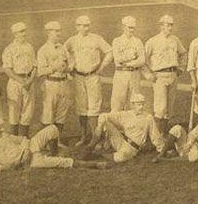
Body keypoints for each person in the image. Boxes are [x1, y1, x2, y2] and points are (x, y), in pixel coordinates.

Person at [0, 115, 106, 172]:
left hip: (29, 148)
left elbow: (23, 138)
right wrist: (2, 167)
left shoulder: (5, 135)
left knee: (52, 129)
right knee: (61, 163)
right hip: (26, 162)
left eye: (1, 126)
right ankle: (95, 165)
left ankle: (55, 152)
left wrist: (27, 148)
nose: (1, 129)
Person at [65, 15, 113, 146]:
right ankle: (83, 136)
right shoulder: (72, 41)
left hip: (93, 76)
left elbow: (110, 51)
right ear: (77, 27)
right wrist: (70, 67)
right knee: (81, 107)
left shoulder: (96, 38)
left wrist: (101, 67)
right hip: (78, 77)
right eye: (82, 25)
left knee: (94, 107)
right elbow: (63, 54)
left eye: (87, 25)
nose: (85, 28)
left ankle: (95, 137)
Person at [144, 14, 187, 154]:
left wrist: (181, 68)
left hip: (173, 74)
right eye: (166, 25)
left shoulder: (175, 40)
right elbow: (142, 59)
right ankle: (157, 139)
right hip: (159, 76)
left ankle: (163, 135)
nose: (169, 27)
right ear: (160, 25)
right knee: (160, 108)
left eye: (171, 25)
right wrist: (148, 75)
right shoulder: (153, 41)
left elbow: (183, 54)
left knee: (169, 108)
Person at [85, 93, 152, 165]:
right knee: (103, 118)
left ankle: (98, 156)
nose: (141, 107)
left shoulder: (148, 117)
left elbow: (155, 135)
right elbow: (104, 116)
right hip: (120, 140)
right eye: (138, 105)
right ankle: (91, 146)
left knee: (120, 158)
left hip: (131, 148)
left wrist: (161, 148)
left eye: (142, 104)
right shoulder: (126, 114)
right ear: (132, 105)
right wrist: (99, 129)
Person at [36, 21, 72, 141]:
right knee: (48, 114)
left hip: (64, 82)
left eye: (60, 30)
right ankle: (46, 141)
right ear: (48, 33)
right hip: (51, 83)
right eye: (56, 31)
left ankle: (57, 140)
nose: (59, 33)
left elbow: (70, 63)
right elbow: (40, 71)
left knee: (61, 114)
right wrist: (54, 68)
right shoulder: (43, 50)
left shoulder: (63, 47)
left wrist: (67, 68)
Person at [2, 22, 37, 138]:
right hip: (15, 82)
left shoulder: (29, 47)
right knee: (14, 112)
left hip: (28, 80)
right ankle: (14, 140)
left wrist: (30, 81)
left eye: (24, 31)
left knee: (28, 112)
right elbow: (7, 69)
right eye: (21, 32)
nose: (24, 34)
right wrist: (21, 81)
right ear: (15, 34)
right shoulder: (9, 49)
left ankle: (23, 140)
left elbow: (35, 66)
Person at [110, 16, 145, 112]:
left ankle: (130, 126)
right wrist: (132, 55)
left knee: (134, 102)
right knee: (117, 103)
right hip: (121, 74)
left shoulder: (138, 41)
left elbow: (142, 60)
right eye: (130, 27)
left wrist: (129, 63)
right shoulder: (117, 41)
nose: (132, 30)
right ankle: (115, 126)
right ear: (123, 27)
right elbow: (118, 59)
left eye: (133, 27)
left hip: (134, 74)